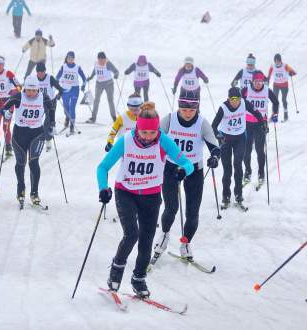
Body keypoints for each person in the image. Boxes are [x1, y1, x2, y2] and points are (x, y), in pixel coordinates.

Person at [97, 102, 194, 298]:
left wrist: (184, 170)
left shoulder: (163, 141)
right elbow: (103, 167)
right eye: (144, 132)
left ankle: (139, 278)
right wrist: (103, 188)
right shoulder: (125, 141)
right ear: (137, 128)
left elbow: (186, 162)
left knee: (147, 239)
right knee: (132, 234)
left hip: (151, 195)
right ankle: (116, 271)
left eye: (152, 132)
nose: (149, 137)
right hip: (126, 192)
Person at [151, 91, 220, 263]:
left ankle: (186, 242)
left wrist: (214, 157)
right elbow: (153, 139)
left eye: (192, 109)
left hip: (194, 171)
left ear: (197, 107)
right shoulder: (169, 119)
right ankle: (164, 235)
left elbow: (214, 146)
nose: (188, 113)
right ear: (178, 107)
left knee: (192, 212)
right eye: (184, 109)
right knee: (171, 208)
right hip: (171, 168)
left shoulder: (202, 123)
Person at [1, 76, 54, 206]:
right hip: (20, 134)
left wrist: (51, 123)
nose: (30, 93)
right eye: (28, 90)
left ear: (37, 89)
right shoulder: (19, 97)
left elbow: (51, 109)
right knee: (21, 162)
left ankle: (34, 193)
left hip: (37, 134)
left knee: (33, 162)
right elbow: (4, 107)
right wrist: (6, 114)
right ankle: (21, 189)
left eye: (33, 90)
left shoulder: (44, 97)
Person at [212, 87, 264, 208]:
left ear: (241, 98)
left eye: (237, 99)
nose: (235, 102)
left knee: (238, 165)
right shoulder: (223, 108)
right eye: (232, 99)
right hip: (225, 139)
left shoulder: (244, 103)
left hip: (240, 138)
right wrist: (219, 136)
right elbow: (213, 126)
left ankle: (238, 195)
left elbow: (256, 113)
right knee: (227, 169)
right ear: (228, 99)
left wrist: (263, 124)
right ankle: (226, 196)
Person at [242, 71, 279, 186]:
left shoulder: (267, 90)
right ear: (252, 81)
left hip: (260, 124)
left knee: (259, 150)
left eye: (260, 81)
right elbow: (238, 102)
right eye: (256, 82)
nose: (258, 84)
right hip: (247, 124)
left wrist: (275, 113)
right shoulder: (246, 90)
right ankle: (247, 172)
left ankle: (261, 173)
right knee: (246, 151)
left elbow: (276, 102)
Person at [56, 51, 87, 135]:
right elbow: (56, 78)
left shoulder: (77, 67)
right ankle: (67, 117)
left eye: (72, 58)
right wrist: (58, 89)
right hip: (65, 90)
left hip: (74, 89)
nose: (70, 59)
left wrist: (84, 85)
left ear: (74, 59)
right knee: (66, 108)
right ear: (66, 58)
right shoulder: (63, 67)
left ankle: (72, 125)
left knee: (72, 107)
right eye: (69, 58)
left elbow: (84, 78)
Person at [35, 62, 64, 151]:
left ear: (45, 71)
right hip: (39, 103)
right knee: (36, 122)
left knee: (47, 123)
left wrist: (59, 95)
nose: (40, 74)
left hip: (50, 102)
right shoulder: (34, 79)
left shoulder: (50, 78)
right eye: (38, 72)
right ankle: (36, 141)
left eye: (42, 72)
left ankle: (48, 140)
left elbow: (60, 89)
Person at [85, 52, 119, 123]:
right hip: (99, 84)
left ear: (105, 59)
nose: (101, 61)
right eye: (99, 60)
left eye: (102, 60)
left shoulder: (108, 63)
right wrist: (91, 77)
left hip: (109, 84)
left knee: (110, 100)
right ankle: (93, 118)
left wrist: (116, 75)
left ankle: (114, 117)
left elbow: (116, 71)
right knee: (96, 100)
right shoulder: (96, 63)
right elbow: (95, 71)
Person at [267, 53, 296, 122]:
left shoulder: (285, 65)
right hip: (276, 85)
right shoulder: (273, 66)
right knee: (275, 100)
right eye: (276, 61)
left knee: (283, 100)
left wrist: (291, 73)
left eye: (278, 61)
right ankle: (274, 115)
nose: (277, 62)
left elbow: (293, 72)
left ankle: (286, 115)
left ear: (280, 60)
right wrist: (267, 80)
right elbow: (269, 75)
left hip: (284, 86)